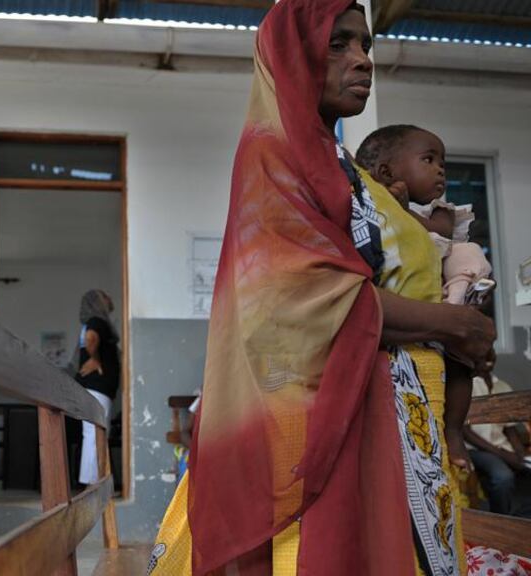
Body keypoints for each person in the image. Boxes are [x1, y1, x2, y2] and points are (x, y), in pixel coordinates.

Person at [149, 2, 498, 574]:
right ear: (292, 55)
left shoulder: (343, 168)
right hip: (317, 420)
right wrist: (449, 323)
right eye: (339, 44)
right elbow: (301, 294)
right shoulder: (274, 155)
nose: (362, 60)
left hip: (388, 416)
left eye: (365, 45)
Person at [356, 123, 496, 470]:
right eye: (429, 159)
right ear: (386, 172)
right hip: (404, 333)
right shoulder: (369, 209)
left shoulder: (440, 211)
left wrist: (402, 211)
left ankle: (454, 431)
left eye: (442, 163)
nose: (440, 170)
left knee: (461, 369)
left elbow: (439, 234)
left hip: (449, 298)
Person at [464, 371, 531, 516]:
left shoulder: (502, 385)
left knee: (527, 465)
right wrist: (503, 455)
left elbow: (510, 429)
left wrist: (522, 455)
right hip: (476, 449)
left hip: (503, 446)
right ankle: (502, 518)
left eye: (490, 348)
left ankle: (519, 516)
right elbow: (466, 433)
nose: (486, 352)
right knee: (503, 477)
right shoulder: (465, 385)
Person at [73, 289, 120, 486]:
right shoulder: (96, 322)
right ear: (98, 301)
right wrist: (95, 360)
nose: (109, 298)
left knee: (93, 434)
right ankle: (94, 484)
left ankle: (92, 482)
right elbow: (91, 340)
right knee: (96, 433)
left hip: (95, 388)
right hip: (97, 388)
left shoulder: (92, 323)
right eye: (105, 295)